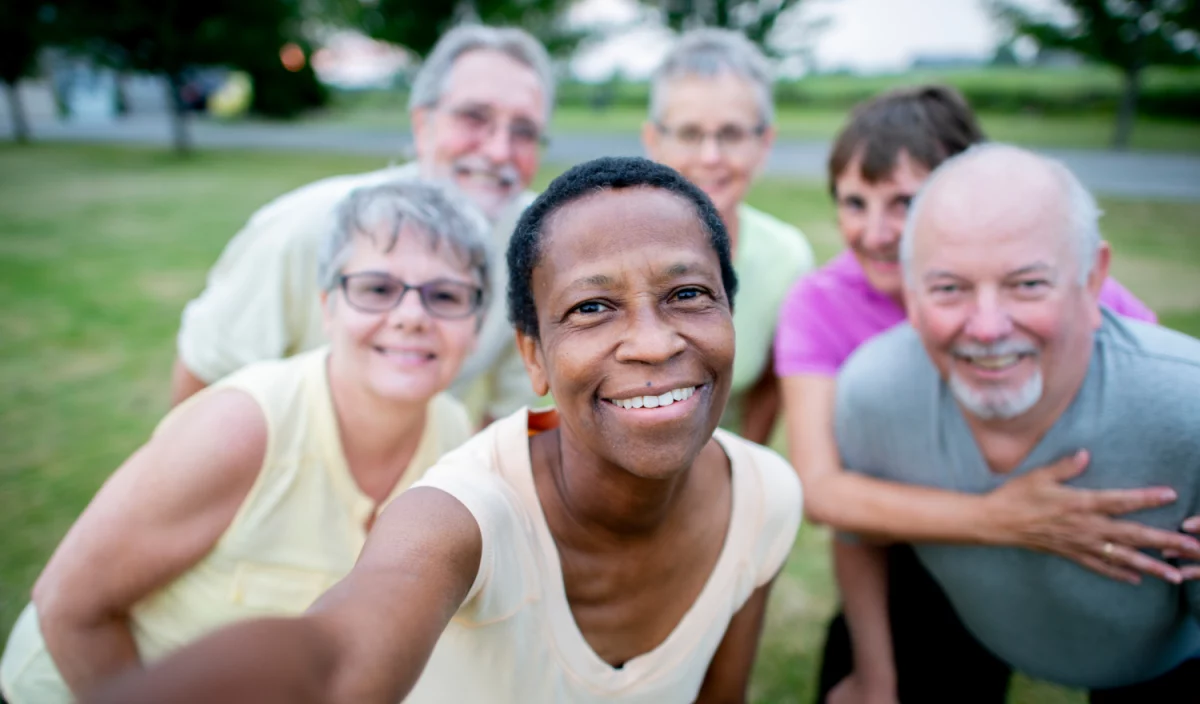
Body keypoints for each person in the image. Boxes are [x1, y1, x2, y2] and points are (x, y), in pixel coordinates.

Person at [78, 157, 803, 704]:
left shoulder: (765, 497)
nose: (651, 342)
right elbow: (338, 651)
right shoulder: (467, 511)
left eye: (687, 295)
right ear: (533, 357)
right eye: (591, 308)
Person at [770, 86, 1197, 703]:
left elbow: (1145, 409)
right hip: (920, 539)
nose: (876, 231)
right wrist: (1004, 518)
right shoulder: (826, 308)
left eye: (904, 204)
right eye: (853, 203)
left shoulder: (1080, 302)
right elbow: (825, 490)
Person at [0, 181, 492, 704]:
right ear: (327, 308)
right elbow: (67, 608)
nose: (412, 315)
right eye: (376, 289)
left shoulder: (451, 433)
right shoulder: (241, 427)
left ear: (477, 324)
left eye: (445, 296)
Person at [170, 24, 555, 423]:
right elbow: (205, 377)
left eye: (525, 132)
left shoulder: (538, 245)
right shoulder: (307, 226)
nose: (498, 151)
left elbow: (510, 414)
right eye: (474, 117)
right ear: (423, 125)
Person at [642, 28, 814, 444]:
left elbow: (769, 389)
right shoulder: (604, 247)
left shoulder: (786, 259)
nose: (711, 157)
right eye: (689, 133)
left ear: (764, 143)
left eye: (732, 134)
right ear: (653, 140)